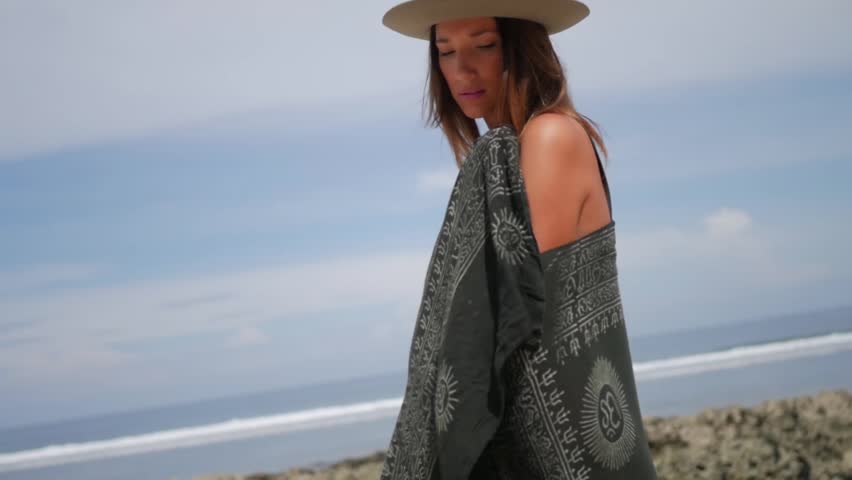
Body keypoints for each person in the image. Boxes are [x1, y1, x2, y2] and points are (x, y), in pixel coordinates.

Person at [379, 1, 659, 479]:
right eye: (445, 52)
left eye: (484, 46)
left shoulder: (550, 137)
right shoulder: (505, 160)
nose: (462, 69)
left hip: (572, 455)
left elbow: (516, 317)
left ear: (522, 48)